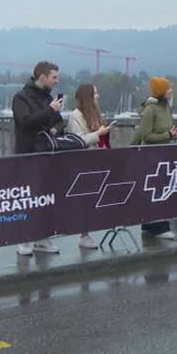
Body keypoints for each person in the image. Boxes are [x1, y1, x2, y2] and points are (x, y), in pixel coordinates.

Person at [13, 61, 66, 256]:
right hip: (28, 154)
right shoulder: (21, 97)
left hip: (47, 154)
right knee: (27, 199)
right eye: (54, 77)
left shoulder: (48, 98)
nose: (56, 81)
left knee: (45, 198)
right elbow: (26, 122)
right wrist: (49, 111)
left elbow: (60, 123)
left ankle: (42, 238)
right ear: (42, 77)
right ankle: (24, 239)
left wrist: (55, 127)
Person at [67, 84, 115, 249]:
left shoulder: (95, 113)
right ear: (88, 96)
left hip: (96, 161)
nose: (98, 96)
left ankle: (87, 232)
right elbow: (79, 139)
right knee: (85, 199)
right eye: (95, 93)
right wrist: (98, 134)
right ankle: (83, 234)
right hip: (83, 163)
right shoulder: (76, 116)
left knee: (93, 198)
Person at [135, 77, 177, 239]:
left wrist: (171, 135)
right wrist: (167, 135)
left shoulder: (166, 107)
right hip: (152, 156)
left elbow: (166, 130)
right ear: (162, 91)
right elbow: (146, 135)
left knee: (164, 189)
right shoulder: (150, 110)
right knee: (157, 190)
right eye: (168, 88)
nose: (171, 91)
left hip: (165, 153)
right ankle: (158, 226)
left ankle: (151, 224)